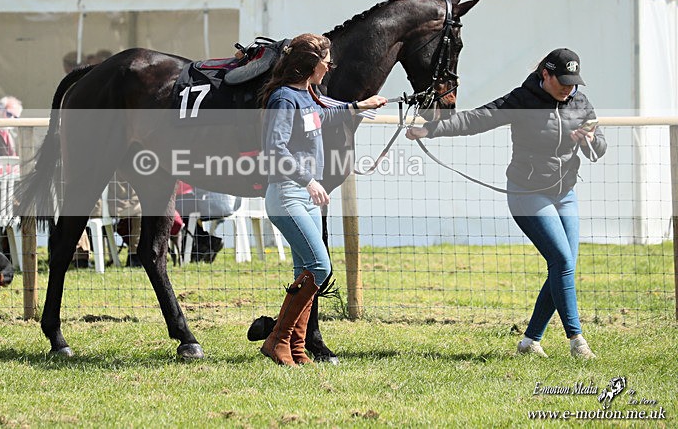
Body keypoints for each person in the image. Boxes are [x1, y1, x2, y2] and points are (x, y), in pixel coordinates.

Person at [405, 48, 606, 359]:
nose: (569, 88)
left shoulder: (580, 102)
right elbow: (477, 119)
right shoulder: (521, 99)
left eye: (573, 81)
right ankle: (577, 341)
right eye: (562, 81)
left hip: (565, 193)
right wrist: (432, 129)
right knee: (563, 263)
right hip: (528, 194)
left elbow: (599, 146)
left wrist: (590, 142)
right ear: (546, 75)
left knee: (562, 266)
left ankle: (529, 342)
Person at [259, 33, 387, 365]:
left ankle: (297, 349)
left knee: (306, 269)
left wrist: (359, 106)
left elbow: (322, 117)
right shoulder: (283, 99)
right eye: (326, 59)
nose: (330, 65)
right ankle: (276, 340)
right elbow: (275, 148)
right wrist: (309, 181)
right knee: (320, 265)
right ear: (311, 64)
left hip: (307, 196)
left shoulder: (306, 96)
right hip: (289, 195)